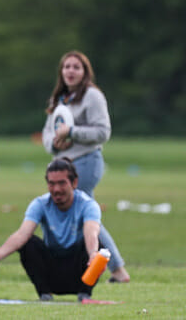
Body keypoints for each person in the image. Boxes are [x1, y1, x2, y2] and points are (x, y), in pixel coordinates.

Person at [41, 50, 130, 283]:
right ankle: (105, 268)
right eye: (66, 67)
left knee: (87, 215)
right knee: (84, 217)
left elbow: (103, 132)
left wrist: (72, 132)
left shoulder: (92, 96)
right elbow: (48, 134)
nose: (70, 71)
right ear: (61, 71)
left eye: (76, 67)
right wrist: (54, 142)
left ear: (85, 72)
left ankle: (117, 269)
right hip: (62, 164)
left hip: (86, 162)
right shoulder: (58, 99)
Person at [0, 158, 103, 302]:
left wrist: (93, 255)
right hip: (52, 271)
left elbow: (91, 232)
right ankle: (45, 294)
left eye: (62, 183)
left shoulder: (88, 205)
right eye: (51, 183)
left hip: (80, 273)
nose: (56, 189)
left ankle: (85, 294)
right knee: (28, 243)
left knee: (100, 248)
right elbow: (22, 234)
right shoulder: (40, 204)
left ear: (74, 183)